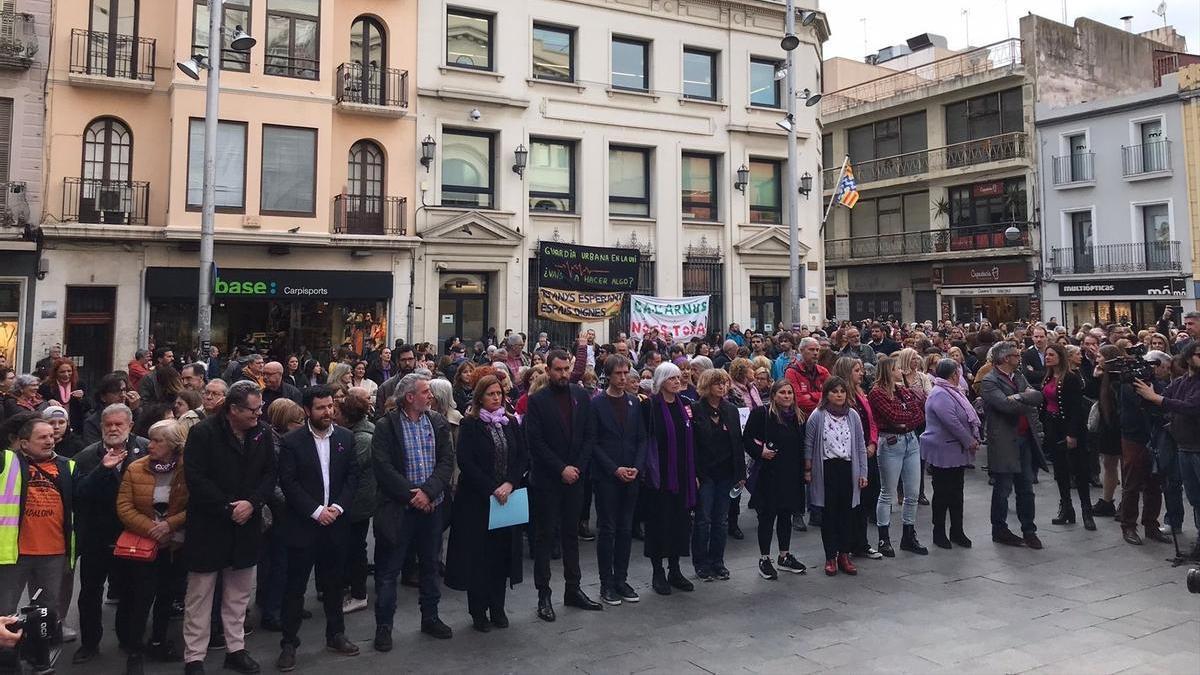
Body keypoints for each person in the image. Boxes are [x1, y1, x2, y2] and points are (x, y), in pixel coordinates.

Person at [181, 380, 277, 674]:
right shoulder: (203, 433)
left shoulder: (262, 433)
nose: (258, 415)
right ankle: (194, 657)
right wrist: (227, 507)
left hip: (246, 523)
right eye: (253, 409)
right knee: (200, 594)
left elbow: (270, 472)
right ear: (233, 409)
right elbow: (195, 478)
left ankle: (236, 649)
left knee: (238, 594)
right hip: (209, 524)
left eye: (260, 408)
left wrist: (252, 503)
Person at [275, 386, 360, 671]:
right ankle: (289, 643)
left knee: (334, 584)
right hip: (303, 525)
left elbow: (352, 477)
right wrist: (315, 511)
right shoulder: (292, 442)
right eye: (321, 408)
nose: (328, 412)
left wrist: (337, 508)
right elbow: (289, 482)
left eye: (331, 406)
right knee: (295, 587)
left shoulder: (346, 438)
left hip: (336, 524)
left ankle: (336, 634)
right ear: (307, 411)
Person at [371, 373, 455, 646]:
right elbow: (383, 467)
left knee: (430, 566)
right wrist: (412, 495)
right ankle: (384, 626)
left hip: (432, 508)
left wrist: (429, 492)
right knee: (388, 571)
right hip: (399, 509)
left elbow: (446, 460)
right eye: (425, 391)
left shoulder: (437, 421)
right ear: (409, 397)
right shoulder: (386, 426)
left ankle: (430, 616)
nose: (430, 395)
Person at [445, 375, 528, 632]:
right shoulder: (471, 425)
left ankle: (498, 607)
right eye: (491, 394)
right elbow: (467, 462)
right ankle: (478, 611)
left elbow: (522, 457)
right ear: (480, 397)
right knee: (479, 557)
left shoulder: (510, 422)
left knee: (502, 555)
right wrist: (492, 488)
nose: (496, 398)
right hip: (478, 501)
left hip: (507, 499)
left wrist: (509, 484)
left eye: (499, 394)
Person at [524, 348, 601, 620]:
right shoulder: (537, 401)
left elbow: (589, 434)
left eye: (567, 369)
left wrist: (577, 467)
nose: (564, 374)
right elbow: (535, 442)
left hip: (575, 478)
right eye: (558, 369)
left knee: (571, 535)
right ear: (548, 370)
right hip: (548, 479)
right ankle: (543, 594)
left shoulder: (581, 395)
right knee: (545, 537)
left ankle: (573, 588)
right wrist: (561, 468)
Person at [72, 403, 150, 666]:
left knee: (130, 590)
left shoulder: (146, 450)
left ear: (130, 426)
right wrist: (102, 469)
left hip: (133, 535)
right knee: (90, 592)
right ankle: (89, 643)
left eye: (119, 424)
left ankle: (127, 639)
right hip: (97, 536)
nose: (114, 429)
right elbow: (79, 494)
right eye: (109, 425)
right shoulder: (86, 457)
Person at [115, 419, 189, 674]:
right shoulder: (136, 468)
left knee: (167, 596)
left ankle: (159, 640)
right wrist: (152, 529)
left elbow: (195, 504)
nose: (151, 445)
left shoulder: (186, 469)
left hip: (175, 545)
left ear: (173, 445)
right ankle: (134, 651)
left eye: (158, 441)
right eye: (151, 439)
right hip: (143, 546)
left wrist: (170, 525)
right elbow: (124, 507)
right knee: (141, 597)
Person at [0, 418, 82, 636]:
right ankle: (7, 656)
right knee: (4, 610)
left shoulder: (68, 465)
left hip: (54, 551)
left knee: (46, 610)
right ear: (23, 443)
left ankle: (40, 654)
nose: (50, 440)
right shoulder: (7, 461)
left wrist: (104, 469)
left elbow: (85, 495)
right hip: (14, 552)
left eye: (51, 436)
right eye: (42, 437)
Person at [587, 356, 646, 605]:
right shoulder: (597, 403)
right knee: (608, 529)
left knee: (625, 528)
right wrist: (614, 469)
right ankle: (606, 582)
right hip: (607, 476)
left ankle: (621, 578)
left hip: (631, 474)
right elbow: (593, 441)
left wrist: (637, 467)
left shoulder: (634, 402)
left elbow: (642, 438)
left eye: (626, 373)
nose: (623, 378)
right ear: (608, 375)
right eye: (619, 373)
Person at [1133, 341, 1200, 560]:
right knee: (1195, 498)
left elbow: (1190, 407)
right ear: (1189, 357)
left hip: (1197, 447)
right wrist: (1143, 385)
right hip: (1184, 446)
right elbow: (1161, 400)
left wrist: (1156, 398)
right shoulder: (1181, 382)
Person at [640, 363, 699, 595]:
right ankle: (658, 571)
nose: (678, 381)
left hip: (682, 474)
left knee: (679, 523)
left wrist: (694, 474)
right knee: (658, 523)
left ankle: (675, 569)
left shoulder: (685, 405)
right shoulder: (651, 406)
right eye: (672, 378)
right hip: (659, 475)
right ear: (662, 381)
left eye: (679, 377)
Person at [981, 342, 1044, 549]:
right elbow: (1005, 406)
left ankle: (1029, 529)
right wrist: (1023, 400)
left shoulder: (1018, 376)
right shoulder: (990, 380)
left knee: (1026, 488)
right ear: (1005, 358)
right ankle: (999, 529)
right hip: (1005, 441)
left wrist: (1018, 396)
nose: (1020, 357)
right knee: (1003, 488)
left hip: (1025, 438)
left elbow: (1037, 396)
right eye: (1016, 355)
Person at [742, 380, 807, 580]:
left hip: (791, 473)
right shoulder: (762, 414)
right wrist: (760, 451)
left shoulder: (797, 416)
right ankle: (764, 558)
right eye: (782, 393)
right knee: (767, 516)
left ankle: (784, 555)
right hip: (769, 474)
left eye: (789, 393)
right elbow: (746, 438)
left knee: (786, 515)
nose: (786, 396)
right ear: (774, 395)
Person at [806, 377, 868, 576]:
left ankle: (844, 554)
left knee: (847, 513)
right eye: (834, 391)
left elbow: (860, 445)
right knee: (829, 514)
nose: (839, 394)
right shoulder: (818, 415)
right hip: (827, 469)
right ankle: (830, 556)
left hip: (848, 468)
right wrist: (808, 469)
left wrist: (863, 472)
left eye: (842, 391)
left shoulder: (853, 415)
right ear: (827, 394)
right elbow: (809, 444)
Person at [868, 356, 927, 557]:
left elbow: (919, 414)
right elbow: (892, 417)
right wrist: (906, 417)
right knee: (887, 493)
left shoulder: (901, 390)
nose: (899, 370)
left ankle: (908, 535)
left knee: (911, 493)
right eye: (896, 368)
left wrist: (906, 419)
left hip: (910, 440)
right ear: (888, 370)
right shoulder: (876, 393)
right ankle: (884, 537)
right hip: (891, 442)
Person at [690, 368, 744, 582]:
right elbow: (692, 445)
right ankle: (701, 563)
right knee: (703, 519)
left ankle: (717, 561)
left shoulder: (730, 409)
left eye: (724, 383)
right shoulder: (695, 410)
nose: (722, 387)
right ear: (706, 386)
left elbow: (737, 443)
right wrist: (693, 473)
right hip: (705, 473)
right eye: (716, 383)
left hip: (726, 472)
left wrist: (740, 473)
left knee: (721, 520)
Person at [920, 359, 980, 549]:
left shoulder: (954, 391)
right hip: (943, 450)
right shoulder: (940, 394)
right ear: (953, 374)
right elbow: (952, 421)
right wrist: (969, 441)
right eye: (958, 372)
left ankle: (957, 530)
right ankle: (939, 532)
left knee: (957, 492)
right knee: (942, 493)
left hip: (955, 450)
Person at [1040, 343, 1094, 531]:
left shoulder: (1070, 378)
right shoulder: (1047, 378)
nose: (1047, 358)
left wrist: (1072, 434)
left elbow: (1076, 409)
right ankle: (1066, 508)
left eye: (1051, 355)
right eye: (1046, 355)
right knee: (1061, 471)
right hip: (1052, 426)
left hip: (1069, 427)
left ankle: (1087, 511)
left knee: (1079, 470)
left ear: (1060, 357)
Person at [832, 357, 882, 560]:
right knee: (852, 500)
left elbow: (871, 421)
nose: (861, 373)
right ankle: (846, 543)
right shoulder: (844, 397)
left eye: (861, 369)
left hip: (867, 450)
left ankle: (860, 542)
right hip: (851, 455)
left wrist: (872, 442)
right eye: (856, 370)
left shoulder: (862, 393)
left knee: (867, 496)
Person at [338, 392, 376, 616]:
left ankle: (359, 593)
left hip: (358, 502)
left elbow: (350, 468)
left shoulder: (362, 438)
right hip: (356, 500)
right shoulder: (358, 433)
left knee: (355, 547)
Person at [1092, 345, 1126, 517]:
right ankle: (1107, 501)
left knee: (1125, 465)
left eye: (1100, 357)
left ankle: (1125, 502)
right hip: (1108, 424)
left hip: (1121, 425)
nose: (1097, 360)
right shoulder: (1101, 376)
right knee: (1108, 463)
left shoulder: (1120, 378)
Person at [38, 358, 89, 432]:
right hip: (53, 427)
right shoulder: (46, 386)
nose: (66, 375)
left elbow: (88, 407)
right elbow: (39, 404)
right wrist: (48, 401)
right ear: (55, 372)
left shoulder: (79, 384)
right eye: (62, 372)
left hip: (75, 427)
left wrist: (81, 399)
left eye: (69, 371)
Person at [785, 337, 829, 416]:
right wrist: (821, 403)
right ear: (801, 351)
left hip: (824, 416)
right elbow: (798, 400)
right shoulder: (792, 372)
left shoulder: (823, 371)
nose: (815, 353)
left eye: (817, 350)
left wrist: (810, 395)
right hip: (801, 417)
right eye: (811, 349)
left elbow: (831, 394)